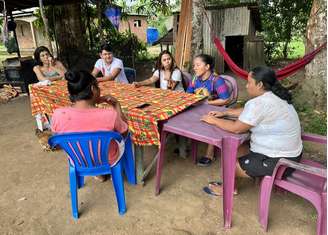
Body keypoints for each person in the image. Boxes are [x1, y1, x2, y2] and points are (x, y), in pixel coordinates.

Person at [201, 66, 303, 196]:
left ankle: (229, 189)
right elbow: (247, 111)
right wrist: (225, 113)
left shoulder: (259, 103)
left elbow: (236, 128)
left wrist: (213, 120)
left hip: (280, 163)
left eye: (249, 82)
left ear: (260, 84)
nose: (247, 86)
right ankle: (235, 181)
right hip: (292, 155)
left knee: (228, 164)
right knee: (233, 151)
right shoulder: (276, 96)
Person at [51, 70, 128, 182]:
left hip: (78, 159)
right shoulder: (109, 114)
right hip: (107, 160)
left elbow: (57, 139)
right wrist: (116, 105)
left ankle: (98, 174)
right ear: (93, 89)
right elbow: (124, 133)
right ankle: (110, 172)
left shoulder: (58, 114)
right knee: (122, 141)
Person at [186, 54, 231, 166]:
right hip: (199, 107)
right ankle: (186, 146)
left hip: (215, 109)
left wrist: (207, 102)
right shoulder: (195, 79)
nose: (194, 68)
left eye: (197, 65)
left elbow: (225, 100)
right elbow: (187, 95)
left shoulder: (216, 80)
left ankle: (209, 154)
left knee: (212, 121)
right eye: (194, 65)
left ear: (207, 67)